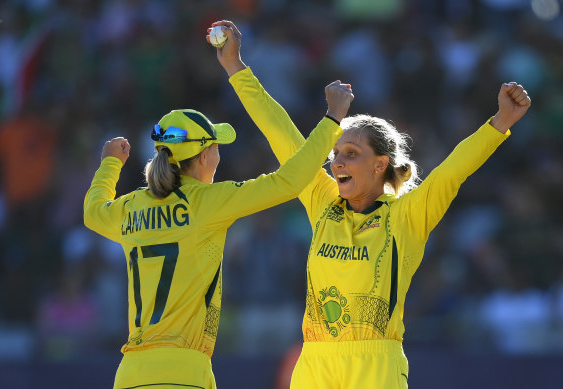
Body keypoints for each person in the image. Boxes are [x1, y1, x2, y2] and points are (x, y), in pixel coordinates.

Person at [211, 20, 531, 388]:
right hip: (314, 360)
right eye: (335, 155)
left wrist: (501, 122)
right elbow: (278, 130)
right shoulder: (321, 198)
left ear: (380, 164)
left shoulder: (408, 215)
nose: (337, 163)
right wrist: (235, 67)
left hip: (375, 362)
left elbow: (452, 171)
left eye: (351, 153)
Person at [83, 85, 353, 386]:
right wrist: (333, 119)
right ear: (203, 157)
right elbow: (289, 181)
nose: (218, 155)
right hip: (184, 371)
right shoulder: (208, 202)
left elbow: (92, 212)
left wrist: (109, 165)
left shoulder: (131, 207)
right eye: (215, 147)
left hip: (130, 373)